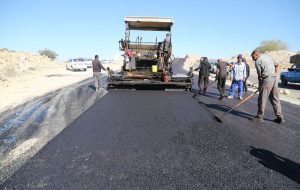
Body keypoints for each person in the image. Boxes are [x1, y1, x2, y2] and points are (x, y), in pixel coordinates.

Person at [251, 50, 285, 123]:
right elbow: (278, 65)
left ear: (257, 54)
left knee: (262, 98)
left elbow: (259, 76)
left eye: (253, 57)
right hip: (274, 79)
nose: (252, 59)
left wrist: (260, 86)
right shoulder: (268, 57)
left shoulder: (258, 62)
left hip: (266, 80)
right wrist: (276, 75)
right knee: (275, 99)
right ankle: (280, 117)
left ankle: (260, 117)